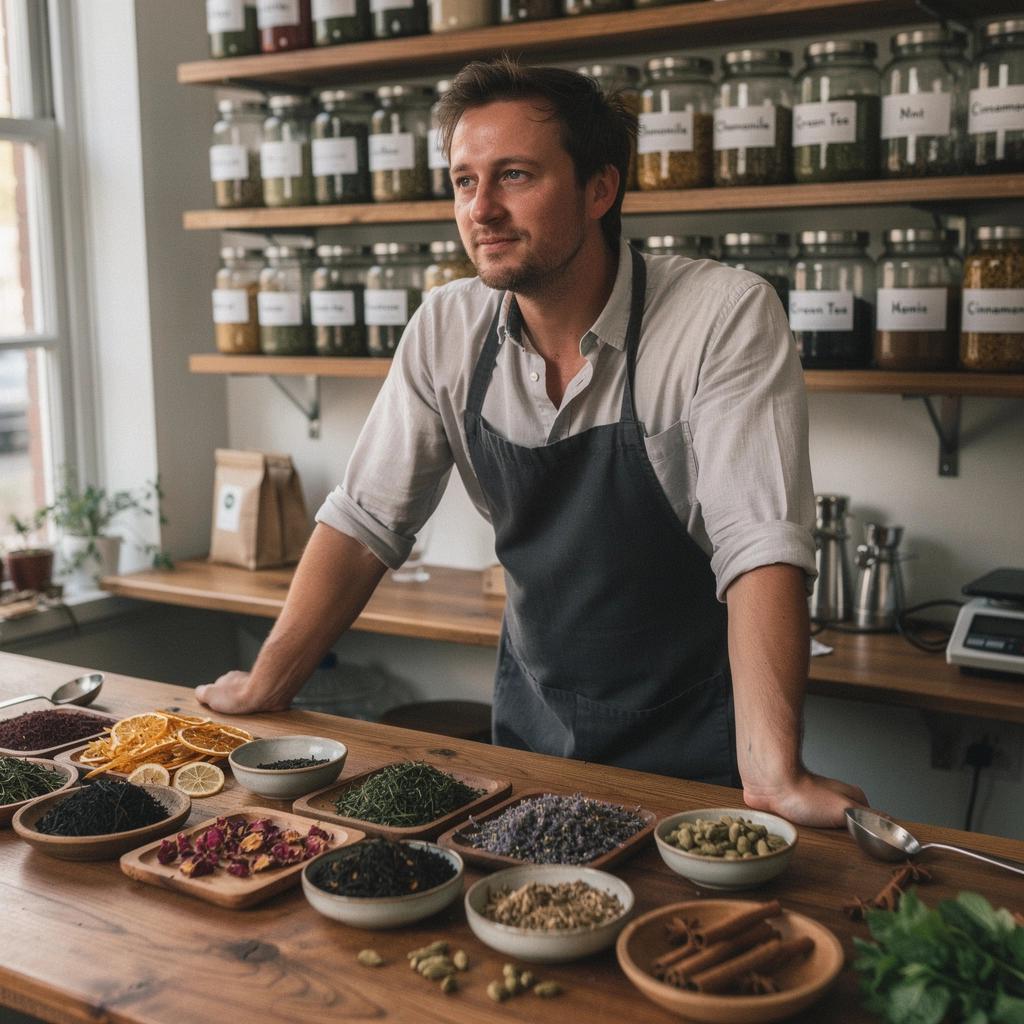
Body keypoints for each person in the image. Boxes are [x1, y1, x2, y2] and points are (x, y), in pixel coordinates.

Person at [197, 58, 866, 827]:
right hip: (530, 737)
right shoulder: (446, 328)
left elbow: (760, 544)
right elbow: (363, 524)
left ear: (599, 189)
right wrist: (266, 684)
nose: (481, 209)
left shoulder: (721, 315)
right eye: (462, 181)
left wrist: (773, 772)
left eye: (514, 175)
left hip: (697, 745)